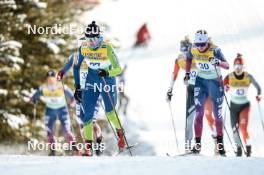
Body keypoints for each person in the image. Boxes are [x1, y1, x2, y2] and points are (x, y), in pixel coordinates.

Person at [73, 21, 125, 156]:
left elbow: (118, 69)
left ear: (99, 37)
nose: (91, 42)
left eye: (94, 39)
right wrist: (78, 87)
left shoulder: (107, 47)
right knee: (88, 116)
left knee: (110, 113)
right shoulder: (83, 48)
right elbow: (77, 67)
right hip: (91, 83)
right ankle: (87, 148)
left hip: (107, 81)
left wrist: (107, 73)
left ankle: (120, 135)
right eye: (89, 39)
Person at [184, 30, 229, 155]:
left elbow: (227, 65)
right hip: (201, 81)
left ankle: (220, 145)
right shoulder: (193, 49)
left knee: (217, 114)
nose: (200, 47)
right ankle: (197, 145)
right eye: (197, 44)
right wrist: (187, 74)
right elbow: (188, 59)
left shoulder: (215, 49)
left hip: (215, 82)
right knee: (199, 113)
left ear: (207, 42)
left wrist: (218, 62)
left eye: (202, 44)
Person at [167, 53, 217, 152]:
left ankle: (218, 142)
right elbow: (175, 74)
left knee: (207, 116)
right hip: (191, 91)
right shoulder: (179, 60)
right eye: (182, 52)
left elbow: (211, 69)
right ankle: (188, 147)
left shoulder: (198, 56)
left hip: (204, 91)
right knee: (189, 120)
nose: (184, 55)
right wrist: (170, 90)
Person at [57, 52, 103, 156]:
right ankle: (88, 150)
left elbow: (105, 67)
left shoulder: (96, 54)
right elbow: (69, 64)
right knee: (82, 123)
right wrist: (62, 72)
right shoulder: (75, 56)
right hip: (80, 93)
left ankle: (98, 141)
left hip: (93, 91)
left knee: (90, 121)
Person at [31, 70, 77, 156]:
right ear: (46, 80)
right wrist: (33, 100)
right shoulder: (43, 88)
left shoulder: (61, 87)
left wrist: (72, 102)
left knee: (66, 131)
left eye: (52, 79)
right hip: (50, 110)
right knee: (49, 131)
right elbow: (34, 96)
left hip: (62, 110)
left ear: (56, 79)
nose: (51, 81)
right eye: (49, 79)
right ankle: (52, 150)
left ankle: (74, 147)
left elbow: (72, 97)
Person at [224, 53, 262, 157]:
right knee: (234, 130)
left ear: (243, 66)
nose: (237, 67)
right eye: (235, 65)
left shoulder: (248, 76)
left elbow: (258, 88)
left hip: (244, 106)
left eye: (240, 65)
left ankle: (248, 149)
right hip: (234, 106)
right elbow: (221, 87)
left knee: (243, 128)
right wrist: (225, 88)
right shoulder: (229, 76)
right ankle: (239, 149)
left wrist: (259, 95)